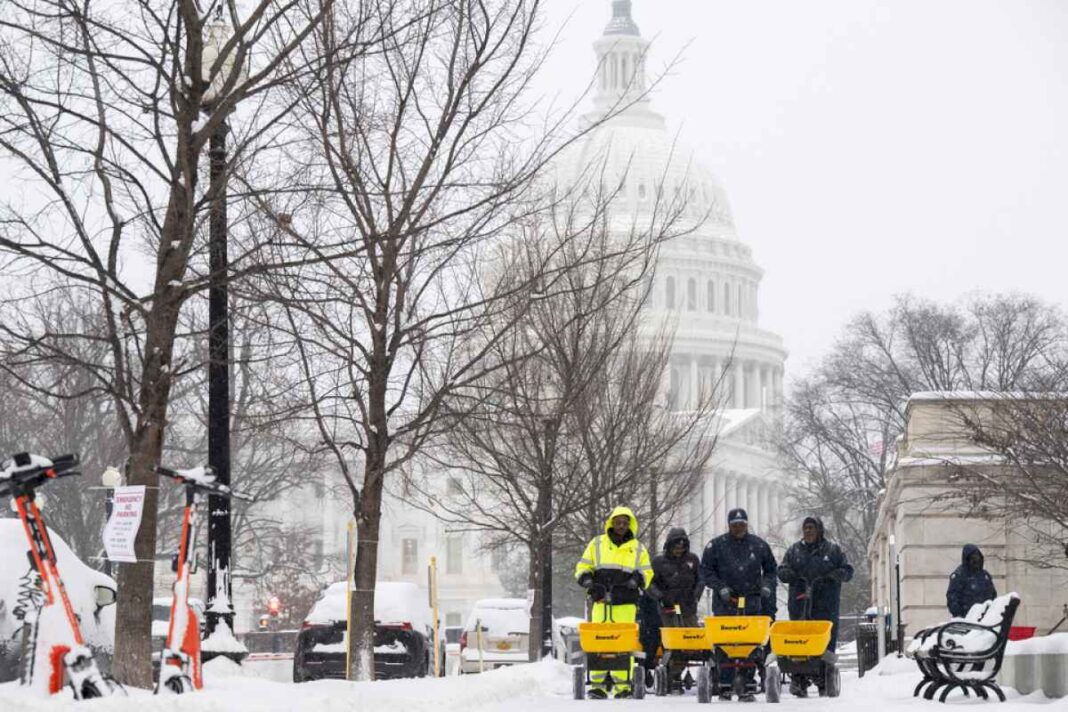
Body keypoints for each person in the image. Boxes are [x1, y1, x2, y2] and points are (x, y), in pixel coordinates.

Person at [575, 506, 653, 699]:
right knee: (600, 642)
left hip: (625, 600)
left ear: (630, 525)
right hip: (601, 599)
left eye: (625, 523)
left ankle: (622, 685)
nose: (621, 526)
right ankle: (598, 684)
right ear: (611, 523)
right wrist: (587, 580)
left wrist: (637, 580)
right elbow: (584, 566)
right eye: (618, 522)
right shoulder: (597, 544)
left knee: (623, 645)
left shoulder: (638, 547)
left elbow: (647, 571)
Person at [700, 508, 777, 702]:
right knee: (725, 642)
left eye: (742, 524)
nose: (738, 528)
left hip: (751, 600)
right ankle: (724, 683)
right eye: (735, 525)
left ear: (747, 524)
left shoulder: (759, 545)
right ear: (729, 525)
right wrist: (720, 587)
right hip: (725, 601)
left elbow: (770, 570)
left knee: (749, 642)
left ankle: (747, 682)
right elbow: (706, 571)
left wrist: (766, 586)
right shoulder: (716, 546)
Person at [777, 516, 854, 697]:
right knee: (800, 640)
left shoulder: (833, 550)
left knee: (824, 640)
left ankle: (823, 677)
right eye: (806, 528)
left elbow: (848, 570)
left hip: (825, 604)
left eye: (812, 528)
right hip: (800, 603)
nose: (808, 531)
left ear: (819, 530)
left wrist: (835, 575)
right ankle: (799, 678)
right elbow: (781, 570)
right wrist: (789, 574)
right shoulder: (794, 550)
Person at [648, 527, 703, 627]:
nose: (679, 551)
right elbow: (650, 583)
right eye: (676, 548)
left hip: (688, 607)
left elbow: (700, 579)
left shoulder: (693, 559)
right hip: (667, 608)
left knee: (691, 636)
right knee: (672, 638)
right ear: (669, 546)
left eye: (682, 548)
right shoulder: (658, 561)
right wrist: (660, 597)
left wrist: (696, 595)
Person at [946, 544, 997, 618]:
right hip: (966, 619)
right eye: (973, 558)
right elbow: (952, 598)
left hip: (985, 619)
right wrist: (960, 616)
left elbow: (992, 595)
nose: (977, 560)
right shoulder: (959, 575)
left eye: (978, 557)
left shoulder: (985, 576)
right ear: (967, 559)